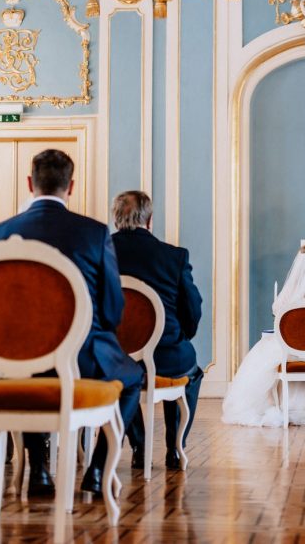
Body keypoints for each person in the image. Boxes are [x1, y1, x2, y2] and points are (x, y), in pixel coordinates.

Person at [0, 150, 143, 496]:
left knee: (30, 373)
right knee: (134, 378)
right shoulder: (93, 233)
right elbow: (113, 308)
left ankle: (40, 470)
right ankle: (98, 471)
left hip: (18, 362)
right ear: (71, 186)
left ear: (30, 183)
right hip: (82, 359)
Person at [110, 191, 204, 471]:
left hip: (116, 356)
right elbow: (192, 309)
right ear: (149, 220)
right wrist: (182, 336)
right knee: (193, 373)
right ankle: (175, 448)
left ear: (116, 220)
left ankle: (139, 444)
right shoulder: (173, 257)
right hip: (166, 355)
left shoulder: (99, 253)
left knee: (126, 375)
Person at [221, 244, 305, 426]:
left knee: (262, 358)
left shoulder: (287, 296)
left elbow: (278, 316)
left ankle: (282, 405)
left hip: (289, 351)